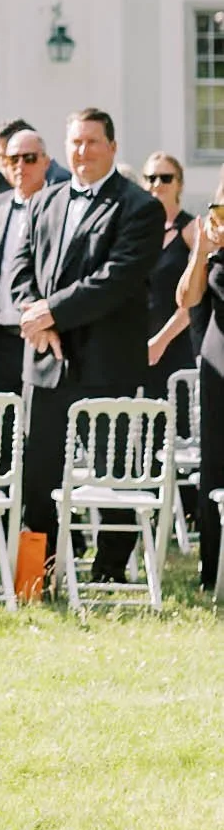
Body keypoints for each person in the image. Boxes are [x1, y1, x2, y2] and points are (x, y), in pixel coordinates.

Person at [12, 109, 164, 577]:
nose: (82, 151)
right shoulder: (44, 201)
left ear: (113, 148)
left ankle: (111, 571)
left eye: (93, 142)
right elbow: (20, 272)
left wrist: (52, 311)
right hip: (46, 360)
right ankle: (40, 572)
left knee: (111, 474)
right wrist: (40, 318)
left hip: (107, 362)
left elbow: (116, 279)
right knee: (38, 475)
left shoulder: (140, 207)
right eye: (75, 142)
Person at [0, 128, 50, 397]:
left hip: (42, 336)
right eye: (13, 159)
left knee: (38, 430)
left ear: (45, 162)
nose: (20, 166)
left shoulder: (60, 206)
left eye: (29, 158)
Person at [177, 189, 224, 594]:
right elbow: (187, 298)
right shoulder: (213, 252)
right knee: (215, 465)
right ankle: (214, 570)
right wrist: (201, 251)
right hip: (218, 362)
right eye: (220, 208)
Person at [139, 152, 197, 399]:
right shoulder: (137, 229)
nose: (157, 184)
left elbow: (196, 296)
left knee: (176, 429)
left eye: (165, 178)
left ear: (179, 184)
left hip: (176, 344)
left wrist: (161, 341)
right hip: (138, 344)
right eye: (151, 178)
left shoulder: (192, 229)